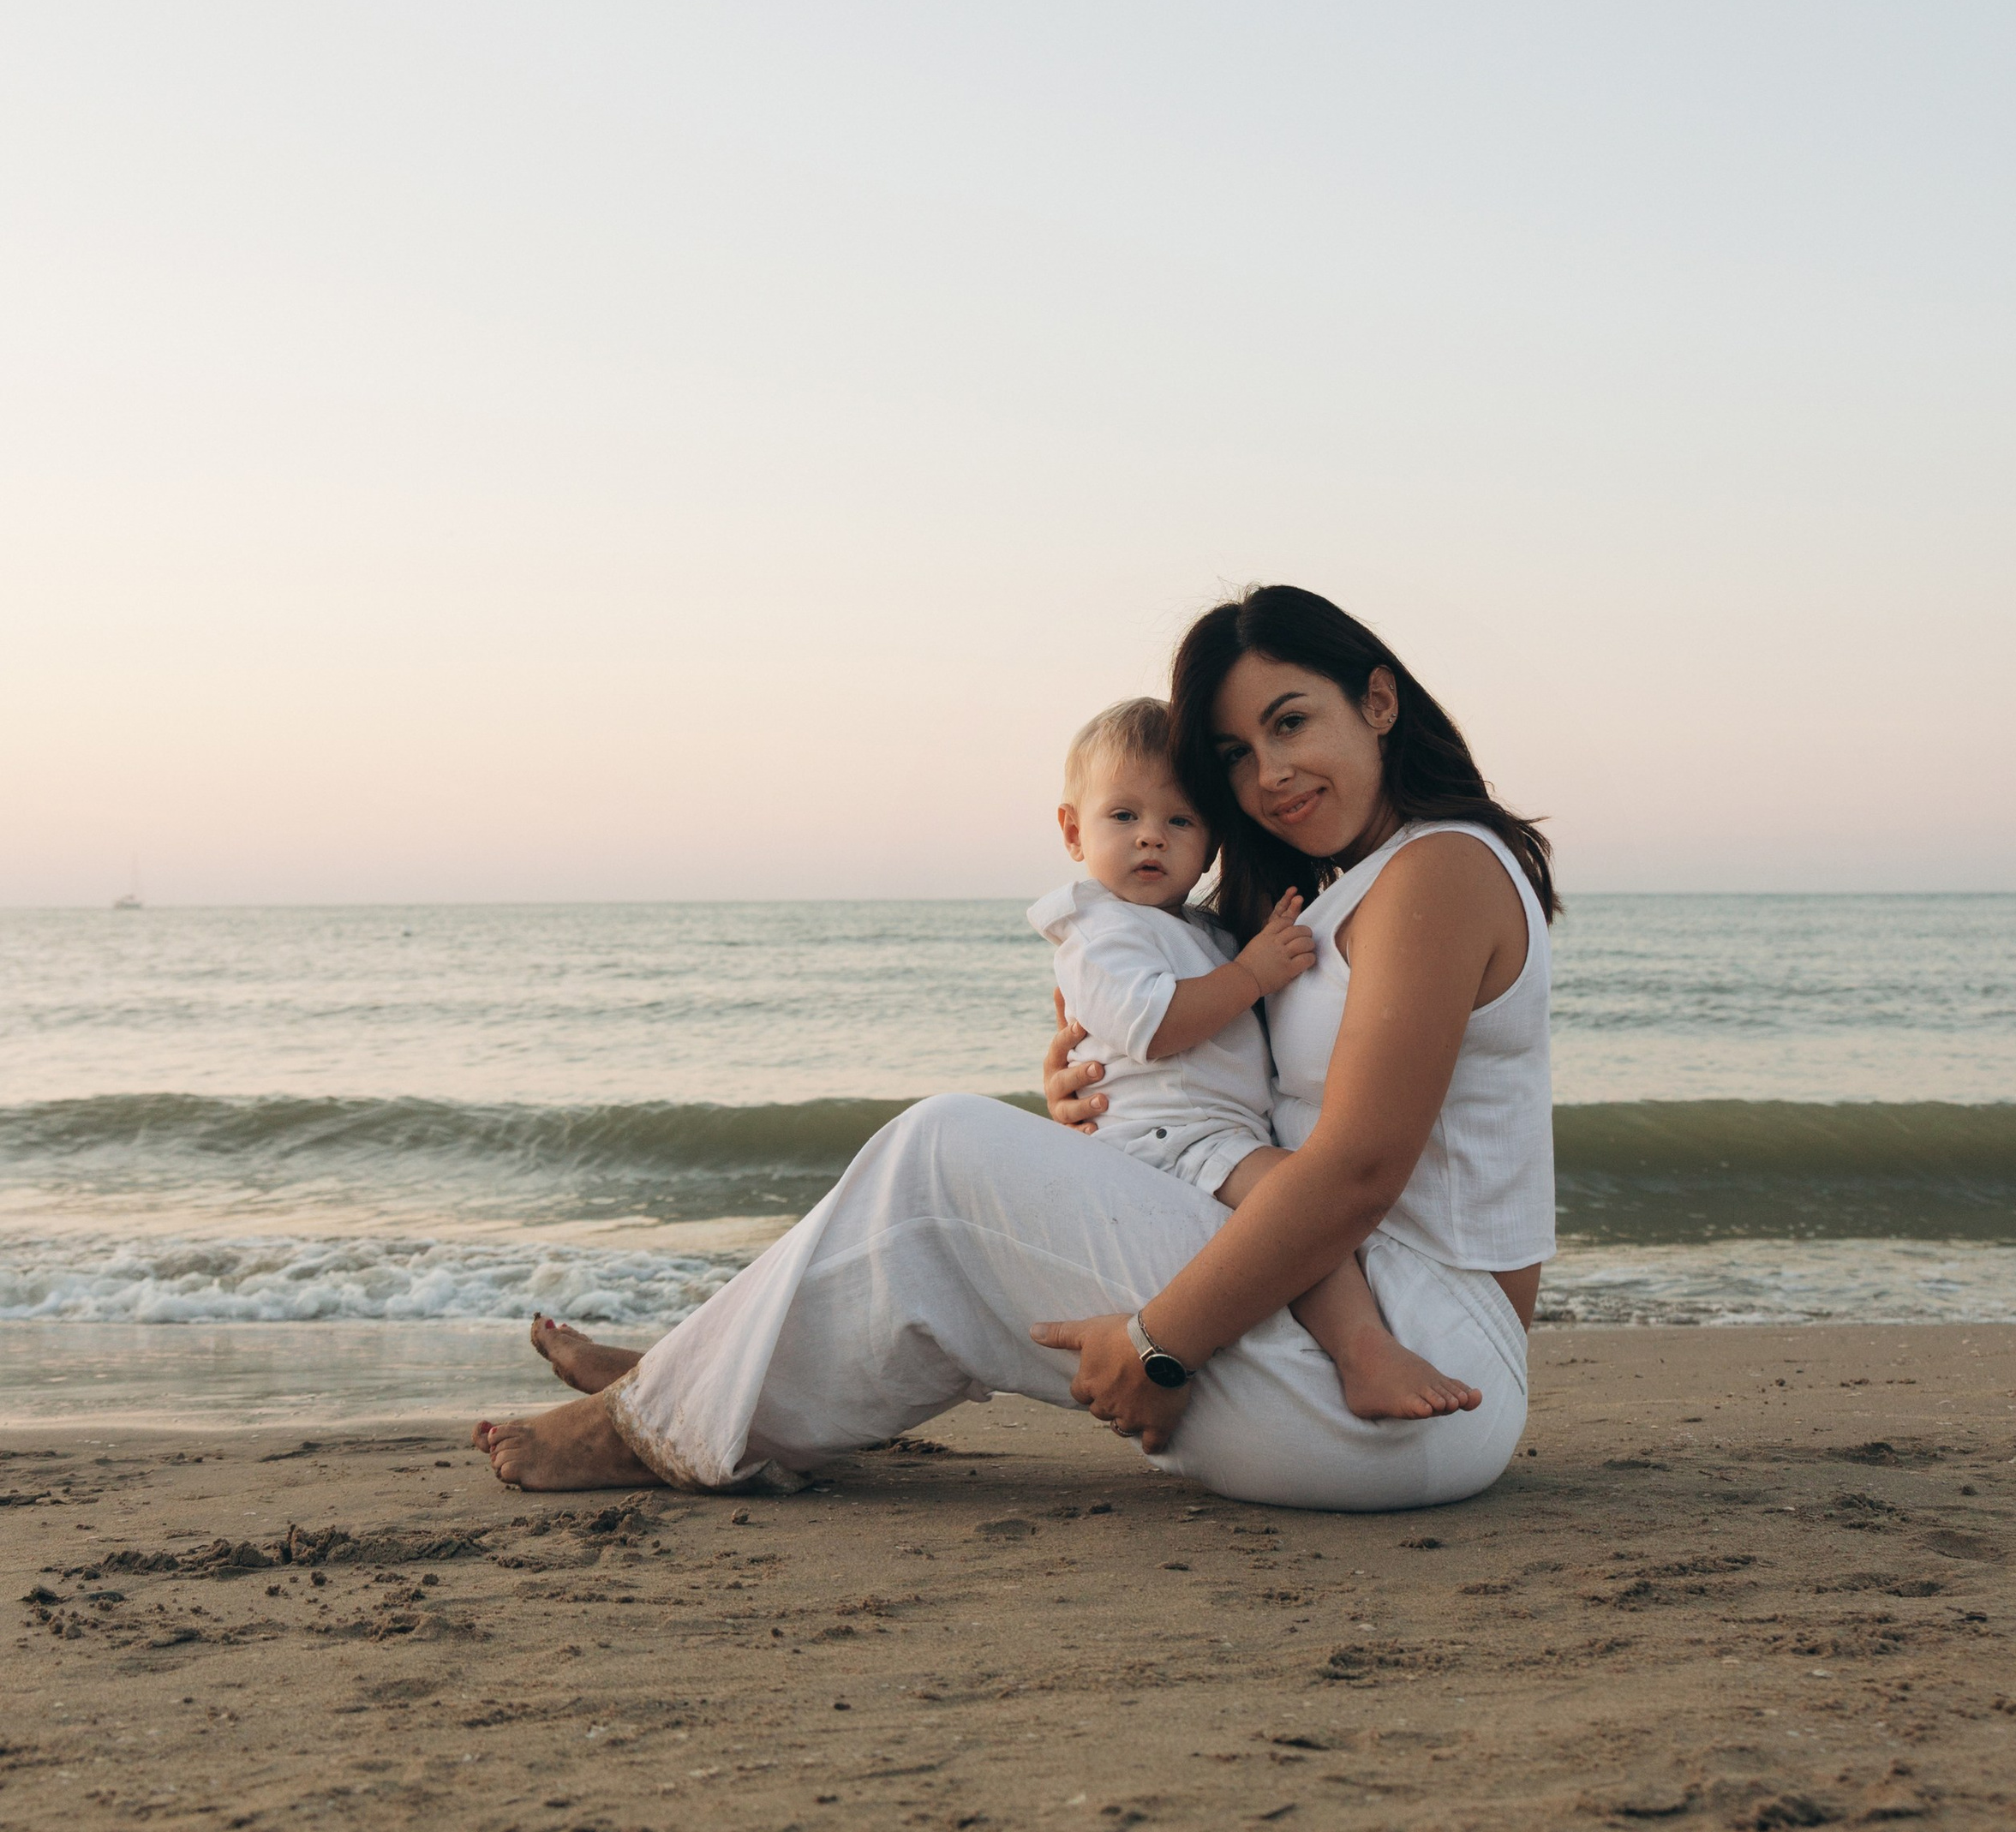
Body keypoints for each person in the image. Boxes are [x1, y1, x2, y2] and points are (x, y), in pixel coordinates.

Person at [481, 583, 1555, 1513]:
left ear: (1377, 701)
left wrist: (1159, 1344)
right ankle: (697, 1381)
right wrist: (1096, 1095)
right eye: (1235, 754)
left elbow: (1357, 1168)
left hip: (1413, 1365)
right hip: (1348, 1330)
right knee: (950, 1207)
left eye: (1291, 722)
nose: (1267, 774)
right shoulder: (1334, 897)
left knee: (942, 1151)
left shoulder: (1438, 871)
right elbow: (1260, 1093)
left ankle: (660, 1415)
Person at [1030, 692, 1479, 1420]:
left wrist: (1254, 961)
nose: (1151, 838)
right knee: (1298, 1200)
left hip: (1203, 1133)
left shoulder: (1197, 931)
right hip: (1167, 1139)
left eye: (1180, 822)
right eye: (1125, 816)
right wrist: (1252, 975)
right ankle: (1362, 1348)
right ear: (1074, 831)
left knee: (1294, 1206)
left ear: (1211, 843)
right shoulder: (1099, 928)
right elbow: (1158, 1024)